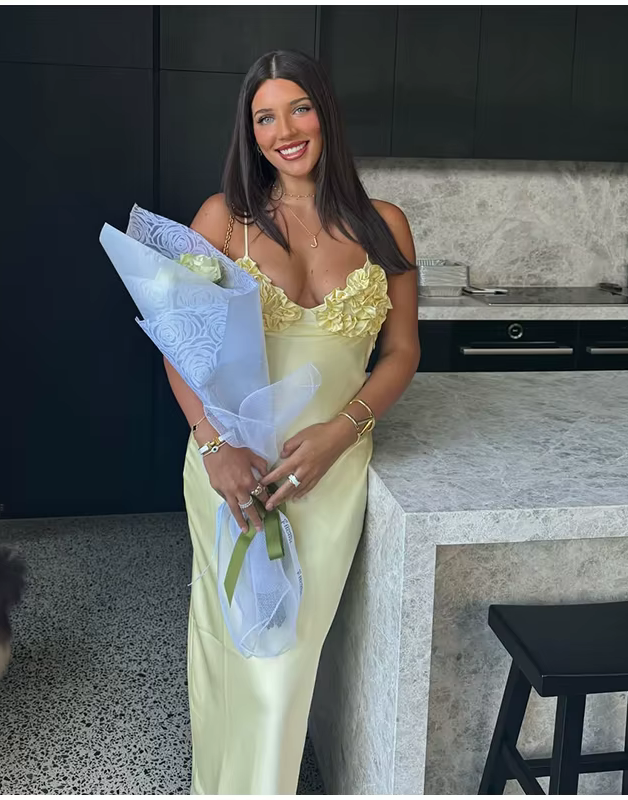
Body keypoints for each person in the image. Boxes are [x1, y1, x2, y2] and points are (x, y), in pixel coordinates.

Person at [164, 49, 420, 794]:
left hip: (328, 480)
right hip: (233, 470)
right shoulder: (223, 220)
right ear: (250, 132)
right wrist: (214, 448)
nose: (285, 131)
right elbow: (178, 345)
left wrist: (343, 432)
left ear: (324, 113)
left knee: (285, 666)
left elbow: (402, 352)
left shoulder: (386, 225)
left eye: (299, 108)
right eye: (265, 117)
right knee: (231, 648)